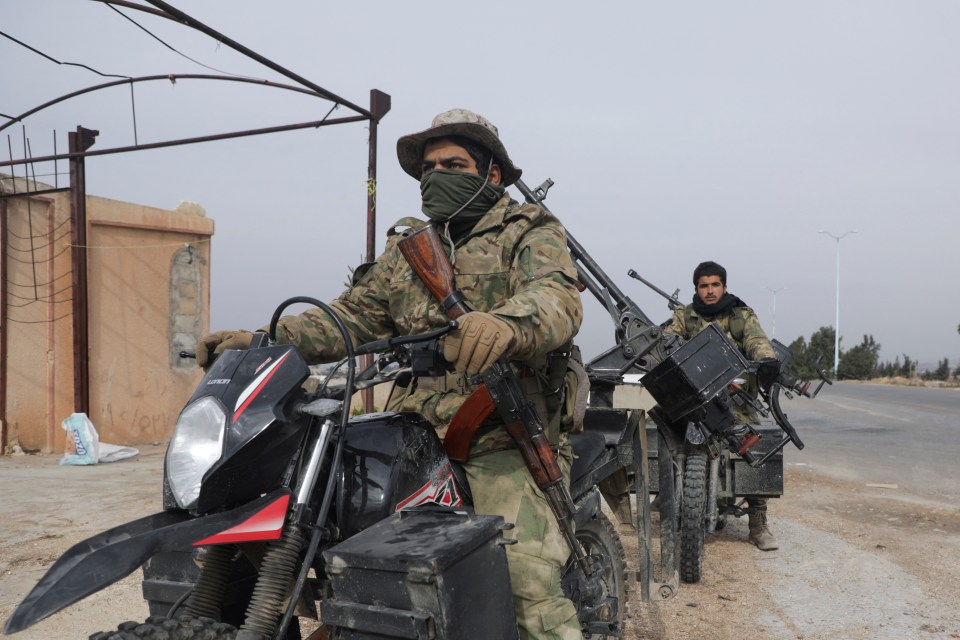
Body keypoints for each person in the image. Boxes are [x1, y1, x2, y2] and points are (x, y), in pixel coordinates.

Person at [196, 108, 585, 639]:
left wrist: (506, 325)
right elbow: (352, 317)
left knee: (523, 581)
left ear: (492, 173)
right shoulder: (407, 252)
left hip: (500, 434)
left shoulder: (530, 231)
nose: (436, 176)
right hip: (409, 432)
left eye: (453, 163)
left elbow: (558, 298)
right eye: (428, 168)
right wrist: (268, 337)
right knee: (294, 529)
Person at [663, 260, 780, 551]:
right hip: (696, 399)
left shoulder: (740, 315)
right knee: (664, 436)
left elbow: (756, 341)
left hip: (735, 399)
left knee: (753, 446)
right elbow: (667, 338)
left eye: (715, 285)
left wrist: (765, 359)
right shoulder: (686, 316)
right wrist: (668, 346)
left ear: (724, 287)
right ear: (696, 289)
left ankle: (758, 521)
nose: (710, 291)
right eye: (704, 286)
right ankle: (667, 497)